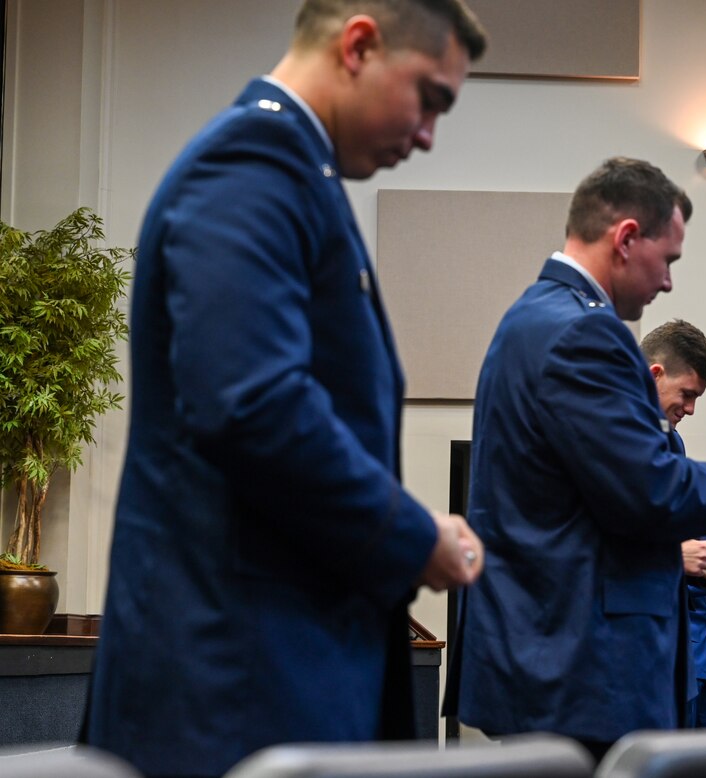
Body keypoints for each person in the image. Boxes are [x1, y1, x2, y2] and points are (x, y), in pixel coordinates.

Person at [83, 2, 488, 776]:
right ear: (360, 44)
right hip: (232, 680)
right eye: (430, 97)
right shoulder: (254, 159)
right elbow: (251, 403)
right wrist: (412, 534)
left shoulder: (297, 169)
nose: (430, 132)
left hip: (268, 667)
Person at [449, 158, 706, 761]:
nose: (668, 282)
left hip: (556, 651)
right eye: (667, 259)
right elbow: (647, 491)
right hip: (580, 663)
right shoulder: (585, 334)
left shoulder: (535, 317)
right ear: (625, 238)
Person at [640, 319, 706, 728]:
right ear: (655, 374)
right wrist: (673, 556)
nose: (691, 408)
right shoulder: (604, 428)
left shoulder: (671, 440)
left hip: (679, 631)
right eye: (687, 394)